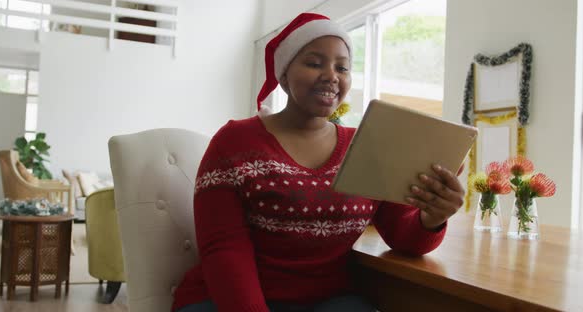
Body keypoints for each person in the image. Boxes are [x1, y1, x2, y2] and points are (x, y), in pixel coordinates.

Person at [172, 12, 465, 312]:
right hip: (227, 300)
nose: (331, 75)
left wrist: (433, 217)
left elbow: (403, 236)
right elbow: (224, 251)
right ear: (284, 74)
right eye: (314, 63)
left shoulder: (367, 145)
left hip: (328, 300)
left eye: (342, 67)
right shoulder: (233, 142)